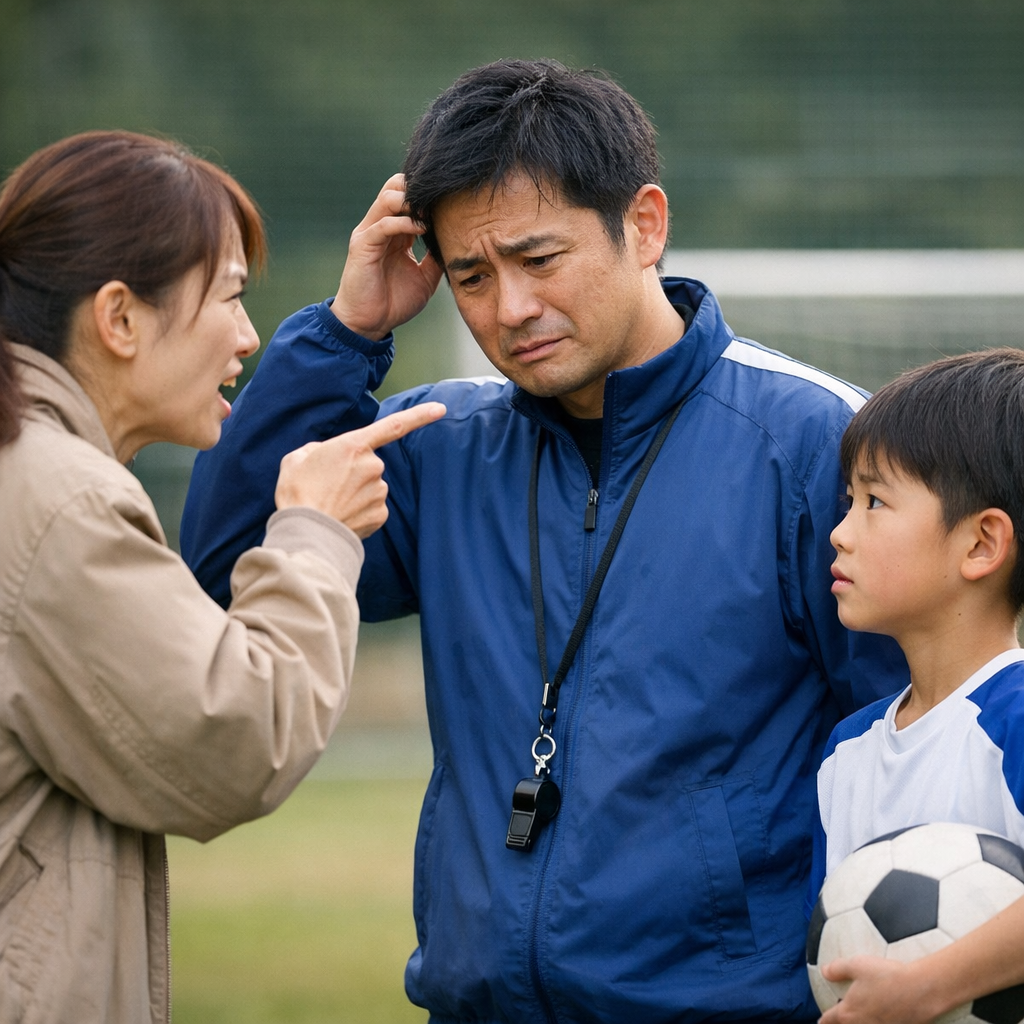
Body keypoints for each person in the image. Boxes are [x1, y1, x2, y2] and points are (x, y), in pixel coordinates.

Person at [182, 60, 907, 1022]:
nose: (509, 309)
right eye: (472, 276)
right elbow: (231, 572)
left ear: (644, 225)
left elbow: (916, 730)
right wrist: (347, 331)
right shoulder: (436, 445)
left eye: (539, 259)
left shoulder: (815, 443)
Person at [0, 130, 444, 1024]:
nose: (246, 334)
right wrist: (315, 532)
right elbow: (237, 739)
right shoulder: (54, 499)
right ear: (120, 318)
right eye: (231, 297)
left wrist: (349, 330)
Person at [809, 349, 1024, 1024]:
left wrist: (932, 985)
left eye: (876, 501)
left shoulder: (1014, 715)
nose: (840, 533)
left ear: (981, 545)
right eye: (848, 502)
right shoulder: (847, 752)